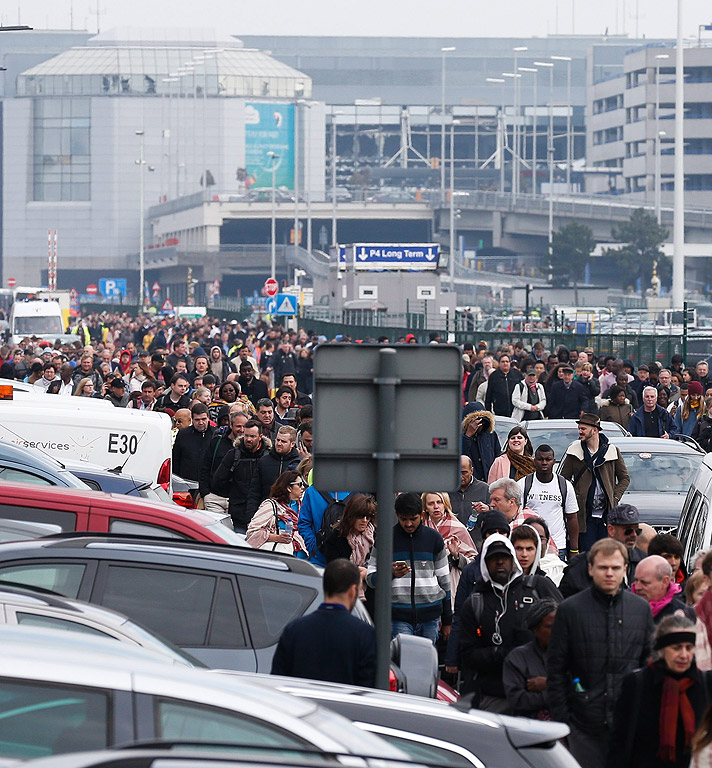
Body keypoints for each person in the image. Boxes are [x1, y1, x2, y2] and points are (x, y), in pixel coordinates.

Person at [547, 538, 654, 768]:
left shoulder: (641, 610)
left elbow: (649, 668)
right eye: (603, 567)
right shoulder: (570, 610)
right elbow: (557, 669)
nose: (609, 573)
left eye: (615, 568)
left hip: (629, 724)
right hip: (583, 724)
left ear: (625, 569)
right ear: (590, 568)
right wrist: (565, 718)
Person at [458, 534, 561, 712]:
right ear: (484, 562)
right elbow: (467, 655)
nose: (499, 562)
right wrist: (505, 653)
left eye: (504, 557)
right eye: (493, 558)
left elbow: (564, 632)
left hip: (535, 694)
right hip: (492, 697)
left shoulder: (537, 588)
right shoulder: (475, 602)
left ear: (512, 560)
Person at [610, 615, 711, 768]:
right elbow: (620, 739)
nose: (684, 655)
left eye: (689, 647)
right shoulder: (638, 683)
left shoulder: (705, 683)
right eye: (676, 648)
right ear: (662, 650)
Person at [271, 559, 376, 687]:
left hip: (302, 704)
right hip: (344, 705)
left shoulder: (294, 629)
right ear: (353, 591)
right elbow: (369, 686)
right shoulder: (364, 634)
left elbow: (279, 680)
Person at [366, 492, 451, 645]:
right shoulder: (385, 539)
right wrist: (389, 573)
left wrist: (447, 621)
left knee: (426, 664)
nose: (409, 524)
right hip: (398, 616)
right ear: (397, 515)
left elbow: (444, 582)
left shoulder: (434, 539)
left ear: (422, 514)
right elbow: (370, 578)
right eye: (403, 519)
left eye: (413, 519)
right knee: (404, 663)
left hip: (430, 617)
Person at [559, 413, 630, 551]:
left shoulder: (612, 451)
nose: (580, 432)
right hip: (584, 515)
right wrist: (574, 498)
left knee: (606, 553)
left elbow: (624, 478)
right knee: (587, 555)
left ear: (595, 430)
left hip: (606, 515)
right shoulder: (574, 451)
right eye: (579, 428)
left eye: (583, 429)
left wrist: (614, 497)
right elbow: (563, 480)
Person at [559, 503, 648, 598]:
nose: (634, 535)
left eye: (637, 531)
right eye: (628, 530)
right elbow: (564, 600)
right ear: (611, 530)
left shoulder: (644, 561)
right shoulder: (581, 564)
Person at [519, 444, 579, 560]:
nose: (544, 462)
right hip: (531, 545)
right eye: (540, 459)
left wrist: (574, 549)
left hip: (558, 546)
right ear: (534, 461)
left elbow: (572, 517)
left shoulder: (565, 485)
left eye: (548, 459)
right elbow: (517, 515)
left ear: (554, 461)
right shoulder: (523, 484)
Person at [503, 599, 558, 719]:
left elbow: (583, 689)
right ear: (535, 629)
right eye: (549, 627)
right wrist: (559, 693)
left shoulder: (574, 654)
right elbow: (518, 701)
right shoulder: (518, 658)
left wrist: (548, 683)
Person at [211, 418, 269, 531]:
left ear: (260, 436)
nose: (248, 439)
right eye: (246, 435)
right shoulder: (233, 455)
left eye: (252, 436)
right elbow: (218, 481)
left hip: (262, 514)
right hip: (238, 514)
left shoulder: (268, 457)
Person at [421, 492, 476, 605]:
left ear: (445, 504)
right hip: (424, 583)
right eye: (431, 503)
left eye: (439, 502)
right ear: (425, 508)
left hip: (451, 583)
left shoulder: (458, 529)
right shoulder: (419, 528)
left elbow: (473, 561)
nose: (436, 507)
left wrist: (456, 556)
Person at [322, 493, 376, 600]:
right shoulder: (336, 538)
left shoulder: (376, 537)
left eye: (368, 516)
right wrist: (355, 571)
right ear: (350, 515)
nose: (365, 520)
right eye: (360, 516)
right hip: (344, 595)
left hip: (371, 597)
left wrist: (368, 573)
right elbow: (333, 569)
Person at [246, 470, 307, 557]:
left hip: (304, 557)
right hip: (280, 557)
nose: (303, 488)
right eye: (299, 484)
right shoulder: (270, 506)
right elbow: (252, 531)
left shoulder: (303, 505)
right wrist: (277, 538)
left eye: (303, 484)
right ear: (289, 488)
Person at [198, 410, 248, 514]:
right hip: (215, 498)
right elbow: (205, 467)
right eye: (238, 426)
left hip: (238, 501)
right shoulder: (217, 442)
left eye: (244, 426)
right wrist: (205, 493)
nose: (241, 430)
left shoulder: (249, 448)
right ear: (231, 425)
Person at [246, 425, 300, 516]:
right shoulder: (264, 461)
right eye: (277, 440)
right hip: (266, 512)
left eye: (283, 441)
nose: (279, 443)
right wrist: (251, 516)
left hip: (290, 513)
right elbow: (254, 491)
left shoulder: (298, 463)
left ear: (292, 444)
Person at [633, 554, 696, 625]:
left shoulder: (683, 614)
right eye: (636, 580)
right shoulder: (623, 603)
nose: (637, 587)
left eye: (645, 583)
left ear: (665, 582)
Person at [172, 402, 215, 482]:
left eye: (204, 419)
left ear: (208, 418)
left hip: (209, 482)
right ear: (192, 419)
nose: (201, 423)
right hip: (186, 481)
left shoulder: (216, 434)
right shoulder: (183, 434)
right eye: (197, 420)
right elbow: (176, 459)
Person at [461, 411, 501, 482]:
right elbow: (462, 457)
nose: (479, 425)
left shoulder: (490, 435)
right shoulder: (463, 438)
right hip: (470, 482)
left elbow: (497, 456)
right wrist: (468, 435)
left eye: (482, 422)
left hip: (489, 482)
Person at [451, 455, 490, 530]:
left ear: (471, 471)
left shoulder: (484, 488)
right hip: (452, 537)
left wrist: (488, 508)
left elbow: (497, 511)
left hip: (477, 538)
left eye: (464, 473)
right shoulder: (447, 490)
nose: (460, 476)